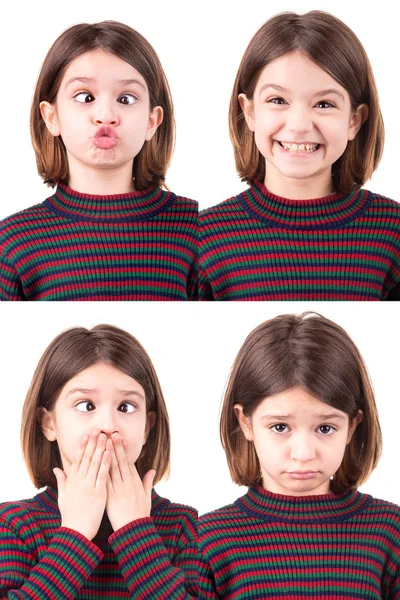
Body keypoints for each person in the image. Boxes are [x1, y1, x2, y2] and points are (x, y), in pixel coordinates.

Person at [199, 10, 400, 301]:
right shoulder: (205, 238)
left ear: (354, 120)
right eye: (277, 100)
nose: (299, 125)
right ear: (250, 112)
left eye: (324, 104)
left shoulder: (392, 234)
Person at [198, 312, 400, 598]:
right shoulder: (209, 541)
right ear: (245, 422)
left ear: (353, 426)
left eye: (325, 428)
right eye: (280, 427)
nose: (303, 454)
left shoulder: (390, 533)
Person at [0, 21, 198, 301]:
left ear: (152, 122)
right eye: (85, 97)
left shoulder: (195, 228)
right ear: (51, 116)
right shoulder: (13, 243)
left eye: (126, 99)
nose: (106, 115)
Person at [0, 324, 199, 598]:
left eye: (126, 407)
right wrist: (75, 533)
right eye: (86, 406)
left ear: (147, 427)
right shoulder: (14, 525)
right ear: (48, 423)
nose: (107, 425)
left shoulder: (184, 527)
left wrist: (137, 534)